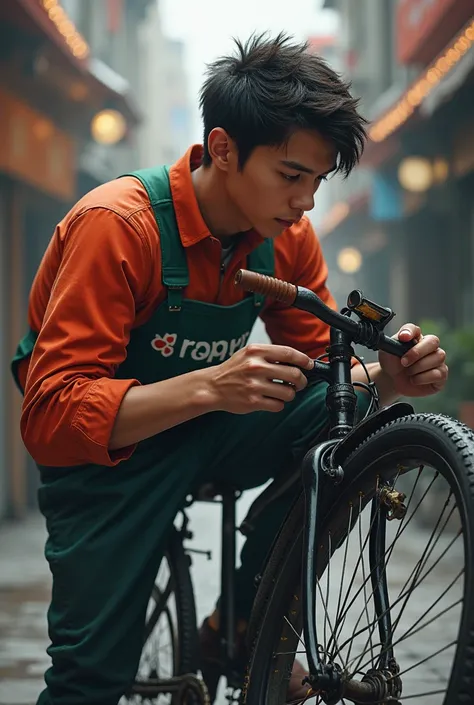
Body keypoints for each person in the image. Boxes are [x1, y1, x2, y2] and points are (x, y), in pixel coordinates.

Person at [11, 33, 448, 705]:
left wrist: (389, 378)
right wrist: (211, 385)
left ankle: (247, 624)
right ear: (223, 148)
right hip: (108, 464)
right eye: (290, 175)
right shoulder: (118, 227)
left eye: (317, 181)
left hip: (216, 430)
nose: (305, 201)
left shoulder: (286, 237)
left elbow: (321, 371)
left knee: (344, 416)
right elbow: (49, 417)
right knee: (88, 679)